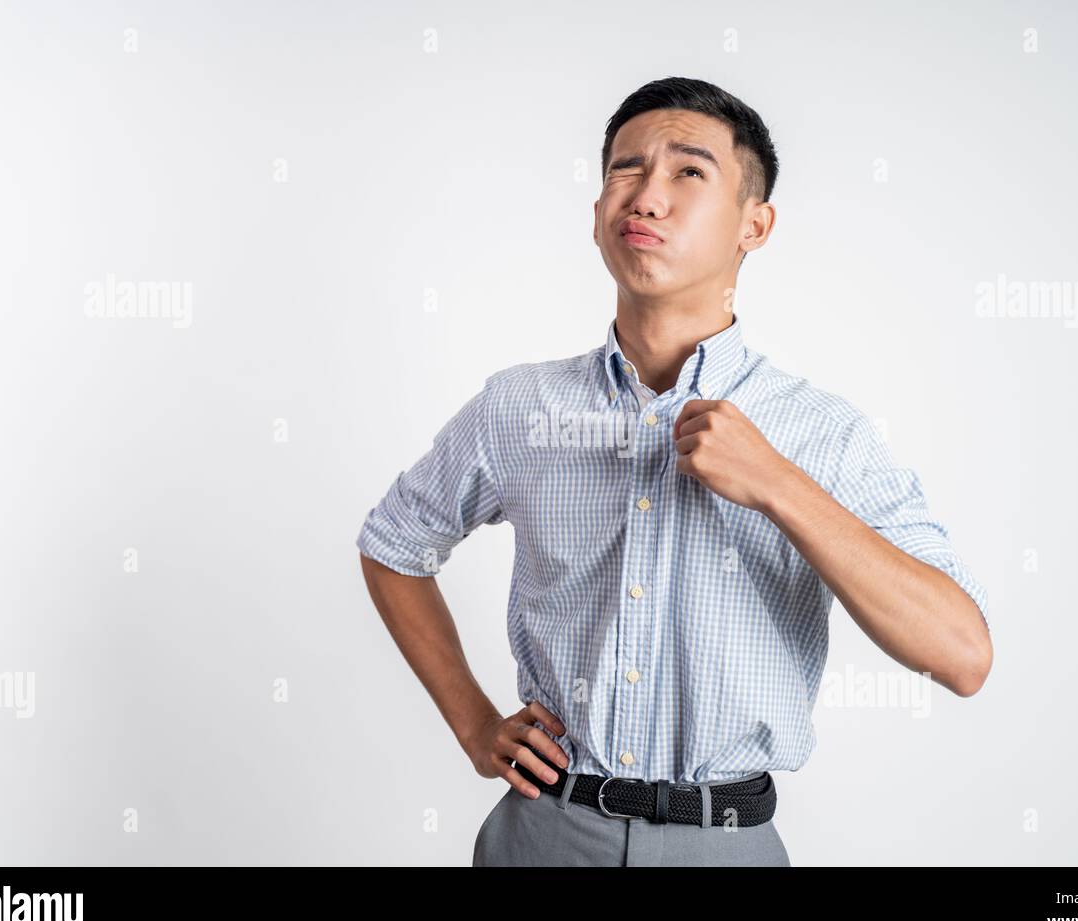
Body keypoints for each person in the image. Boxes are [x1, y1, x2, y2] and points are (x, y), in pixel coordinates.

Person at [355, 76, 992, 867]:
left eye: (689, 172)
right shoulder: (518, 407)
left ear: (753, 225)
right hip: (545, 835)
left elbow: (962, 655)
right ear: (597, 214)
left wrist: (777, 484)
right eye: (626, 169)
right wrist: (474, 723)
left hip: (727, 844)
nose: (647, 197)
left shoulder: (823, 435)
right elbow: (393, 544)